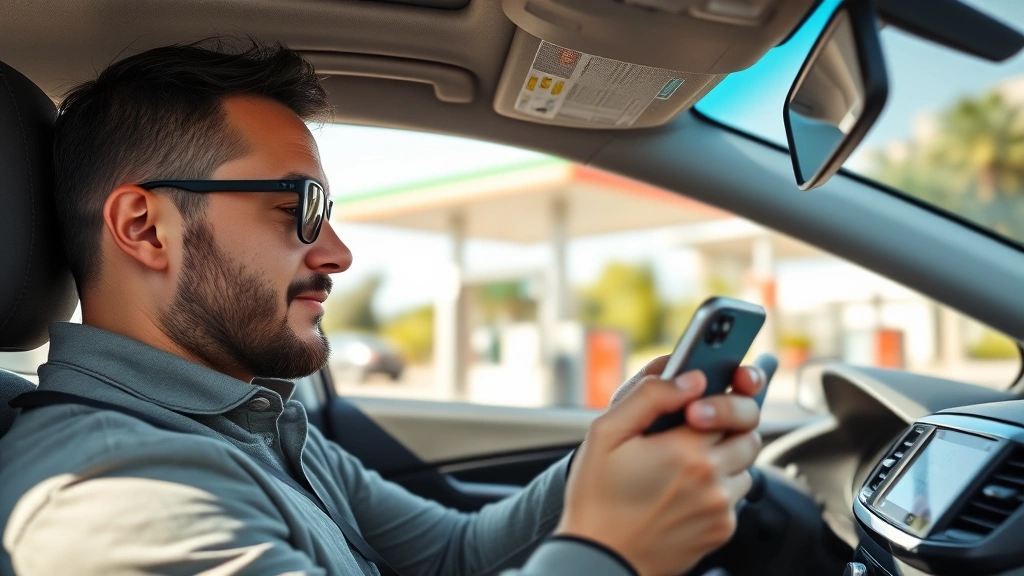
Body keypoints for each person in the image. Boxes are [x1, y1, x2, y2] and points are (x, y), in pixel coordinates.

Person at [0, 39, 765, 576]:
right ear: (145, 229)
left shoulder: (255, 422)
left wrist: (609, 450)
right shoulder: (108, 495)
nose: (337, 252)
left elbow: (453, 556)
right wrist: (612, 551)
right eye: (299, 208)